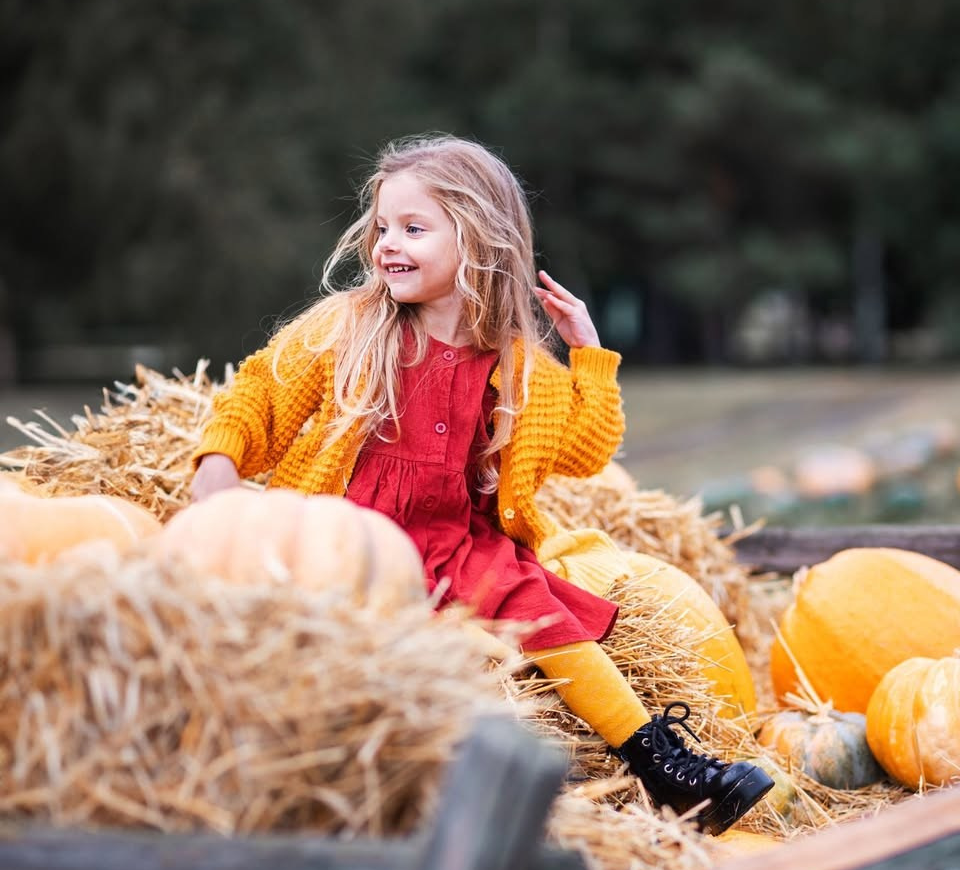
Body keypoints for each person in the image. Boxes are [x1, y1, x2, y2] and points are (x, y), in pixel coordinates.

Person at [191, 134, 772, 832]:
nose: (387, 246)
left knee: (549, 620)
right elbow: (260, 393)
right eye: (381, 228)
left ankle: (663, 766)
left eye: (413, 228)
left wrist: (589, 353)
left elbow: (588, 449)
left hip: (457, 543)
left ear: (478, 239)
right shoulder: (350, 330)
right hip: (354, 531)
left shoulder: (517, 366)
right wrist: (219, 464)